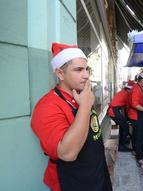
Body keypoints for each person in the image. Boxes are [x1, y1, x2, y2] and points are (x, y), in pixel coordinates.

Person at [31, 42, 112, 191]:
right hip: (72, 182)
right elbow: (68, 153)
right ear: (60, 73)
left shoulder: (82, 95)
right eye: (78, 70)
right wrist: (86, 106)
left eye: (86, 69)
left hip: (97, 175)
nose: (86, 75)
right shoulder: (47, 106)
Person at [128, 70, 143, 171]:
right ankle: (140, 160)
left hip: (137, 115)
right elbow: (135, 104)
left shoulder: (139, 87)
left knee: (135, 135)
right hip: (136, 116)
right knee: (139, 137)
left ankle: (135, 151)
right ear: (142, 80)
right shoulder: (136, 88)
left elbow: (139, 100)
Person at [107, 80, 134, 152]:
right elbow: (128, 106)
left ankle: (123, 141)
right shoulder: (126, 94)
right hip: (114, 111)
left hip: (113, 111)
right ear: (130, 89)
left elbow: (124, 107)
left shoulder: (123, 92)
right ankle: (122, 146)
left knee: (123, 127)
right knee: (125, 127)